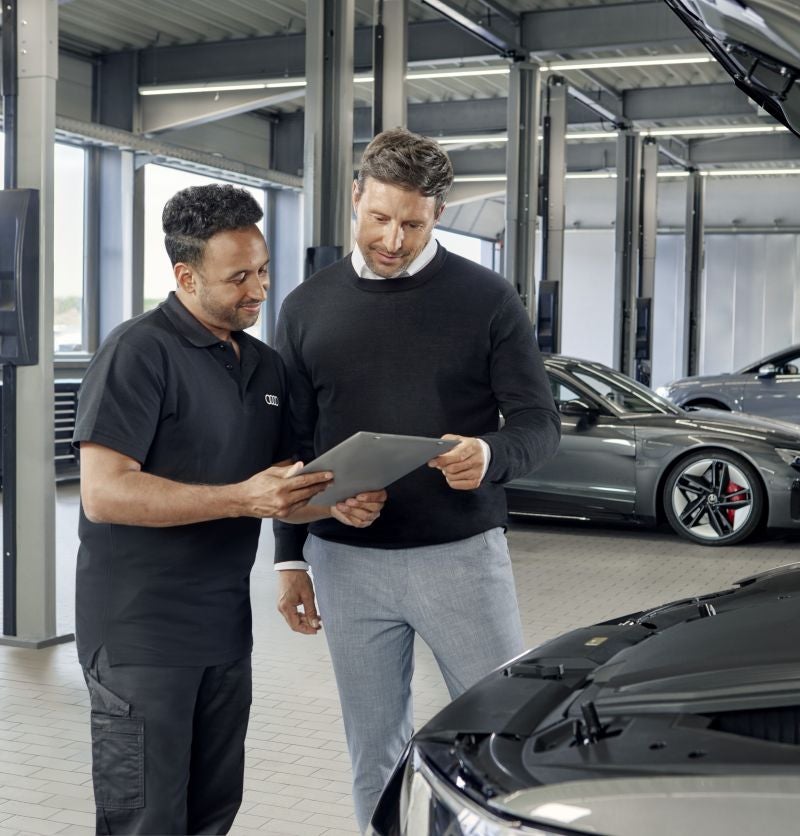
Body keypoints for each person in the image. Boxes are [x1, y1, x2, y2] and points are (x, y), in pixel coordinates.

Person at [73, 183, 384, 835]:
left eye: (264, 269)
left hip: (222, 631)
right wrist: (244, 498)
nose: (260, 289)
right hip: (140, 635)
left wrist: (334, 504)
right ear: (186, 276)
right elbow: (104, 493)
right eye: (238, 277)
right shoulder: (137, 353)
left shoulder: (264, 367)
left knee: (214, 810)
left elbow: (281, 492)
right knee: (146, 819)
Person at [273, 128, 561, 831]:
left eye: (413, 223)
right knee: (374, 752)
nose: (393, 240)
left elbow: (537, 424)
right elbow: (292, 445)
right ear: (355, 198)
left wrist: (490, 455)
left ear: (438, 214)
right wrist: (291, 553)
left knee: (502, 737)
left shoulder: (488, 299)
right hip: (347, 566)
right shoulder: (306, 307)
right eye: (379, 219)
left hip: (462, 560)